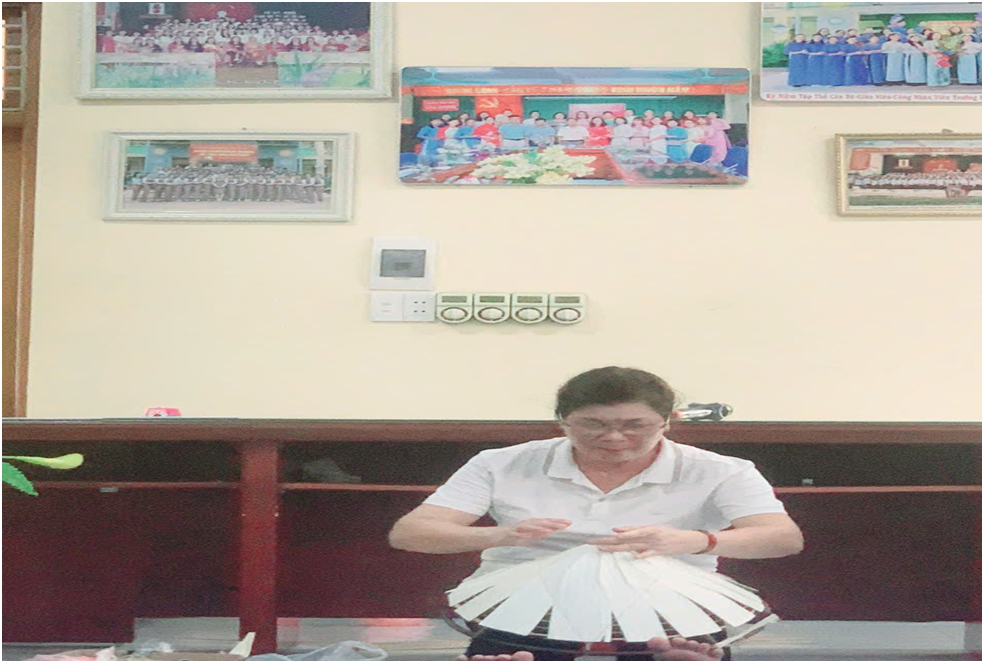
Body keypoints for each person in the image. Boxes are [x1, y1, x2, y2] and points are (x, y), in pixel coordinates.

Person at [391, 367, 802, 663]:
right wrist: (500, 535)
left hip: (665, 600)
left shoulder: (719, 469)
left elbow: (781, 538)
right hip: (529, 599)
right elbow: (411, 533)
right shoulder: (502, 462)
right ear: (562, 422)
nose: (614, 438)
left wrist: (693, 541)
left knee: (680, 652)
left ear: (667, 422)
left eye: (635, 425)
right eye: (592, 424)